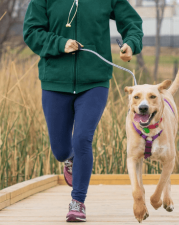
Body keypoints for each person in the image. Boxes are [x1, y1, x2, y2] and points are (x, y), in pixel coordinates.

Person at [23, 0, 143, 222]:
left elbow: (132, 22)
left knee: (82, 139)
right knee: (60, 150)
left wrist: (131, 43)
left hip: (95, 81)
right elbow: (31, 32)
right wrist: (59, 43)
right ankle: (69, 159)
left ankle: (77, 202)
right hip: (55, 82)